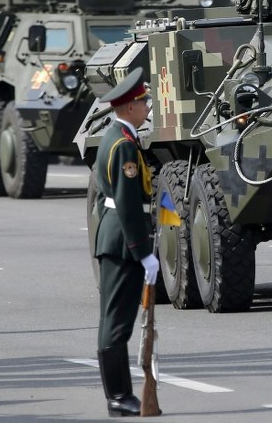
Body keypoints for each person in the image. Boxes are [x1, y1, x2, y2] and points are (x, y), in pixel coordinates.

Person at [92, 67, 159, 418]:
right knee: (117, 322)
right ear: (130, 107)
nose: (147, 106)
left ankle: (119, 395)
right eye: (143, 102)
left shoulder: (115, 137)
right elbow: (129, 203)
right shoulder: (123, 145)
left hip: (115, 236)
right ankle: (118, 396)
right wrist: (144, 253)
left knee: (113, 319)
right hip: (122, 239)